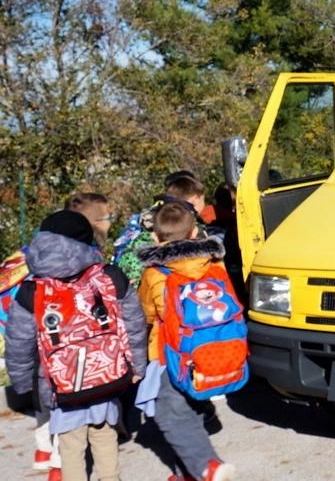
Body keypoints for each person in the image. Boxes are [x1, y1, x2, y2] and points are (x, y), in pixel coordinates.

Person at [5, 210, 147, 481]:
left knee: (70, 445)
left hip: (61, 386)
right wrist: (137, 365)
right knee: (105, 435)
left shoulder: (31, 291)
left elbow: (19, 343)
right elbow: (134, 325)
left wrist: (23, 383)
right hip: (108, 376)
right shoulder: (109, 276)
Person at [135, 201, 235, 481]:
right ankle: (188, 472)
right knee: (188, 407)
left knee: (170, 413)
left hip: (173, 353)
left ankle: (207, 466)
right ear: (194, 234)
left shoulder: (154, 274)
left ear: (155, 238)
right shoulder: (214, 264)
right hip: (215, 346)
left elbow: (147, 314)